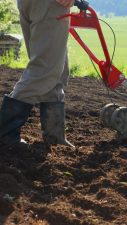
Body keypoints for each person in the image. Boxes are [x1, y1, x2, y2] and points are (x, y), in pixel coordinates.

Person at [0, 0, 75, 148]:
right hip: (50, 4)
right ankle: (5, 134)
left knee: (56, 67)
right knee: (44, 70)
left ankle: (54, 135)